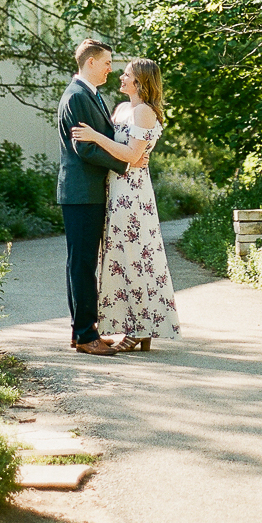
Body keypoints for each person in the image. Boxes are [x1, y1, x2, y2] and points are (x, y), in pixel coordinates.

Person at [70, 57, 181, 353]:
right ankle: (131, 325)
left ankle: (142, 327)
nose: (120, 76)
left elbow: (133, 156)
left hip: (133, 194)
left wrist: (94, 137)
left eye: (127, 74)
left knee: (136, 256)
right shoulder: (120, 109)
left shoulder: (144, 112)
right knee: (118, 257)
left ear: (140, 81)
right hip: (114, 189)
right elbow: (123, 152)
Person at [56, 38, 147, 357]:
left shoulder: (91, 94)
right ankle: (84, 334)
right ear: (90, 62)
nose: (111, 68)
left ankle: (83, 330)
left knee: (83, 262)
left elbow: (102, 138)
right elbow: (86, 147)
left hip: (91, 192)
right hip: (81, 192)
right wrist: (126, 162)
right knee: (81, 263)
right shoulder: (77, 95)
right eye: (107, 62)